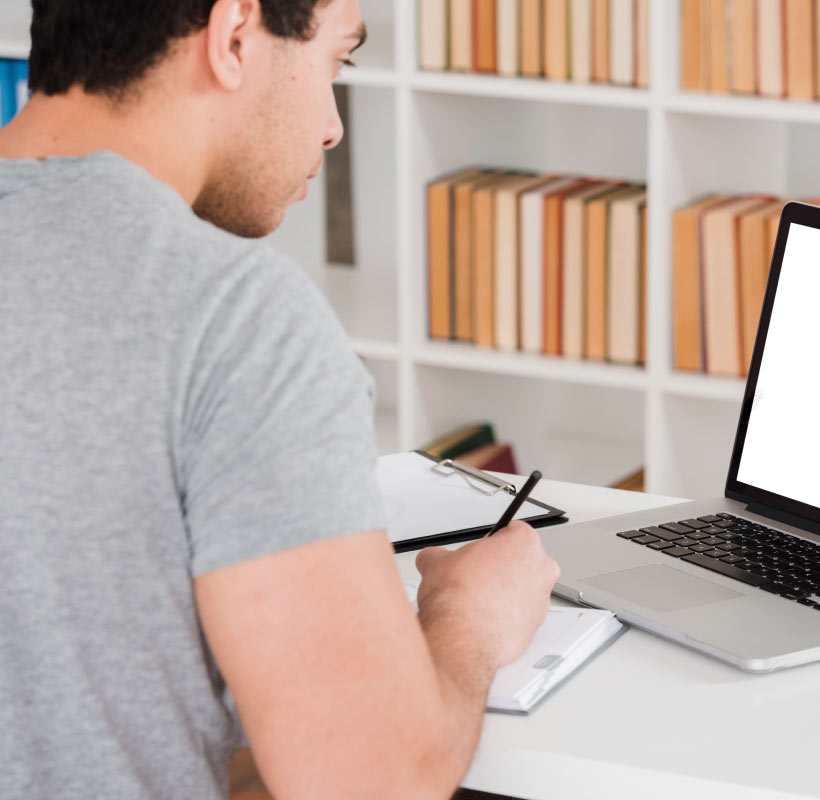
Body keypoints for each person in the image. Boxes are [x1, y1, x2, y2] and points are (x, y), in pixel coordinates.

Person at [0, 1, 560, 797]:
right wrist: (468, 616)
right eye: (337, 61)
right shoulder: (231, 318)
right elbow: (369, 781)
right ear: (234, 37)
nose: (333, 127)